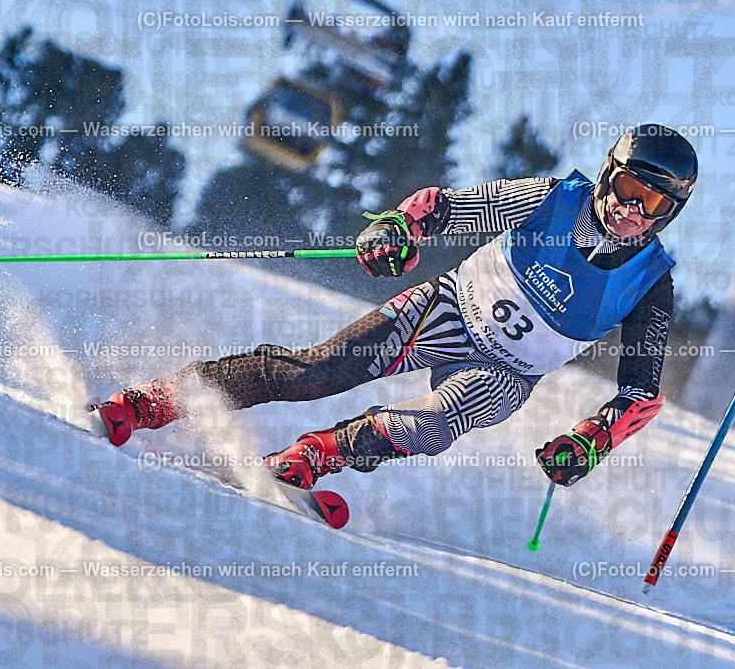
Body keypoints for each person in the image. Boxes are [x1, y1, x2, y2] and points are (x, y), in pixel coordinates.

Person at [94, 124, 697, 490]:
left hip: (506, 373)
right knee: (315, 373)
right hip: (448, 309)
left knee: (433, 423)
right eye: (628, 190)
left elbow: (639, 394)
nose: (632, 211)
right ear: (609, 175)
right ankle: (159, 399)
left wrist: (592, 440)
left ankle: (317, 454)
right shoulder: (554, 200)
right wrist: (399, 228)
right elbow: (452, 209)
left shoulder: (650, 283)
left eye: (653, 205)